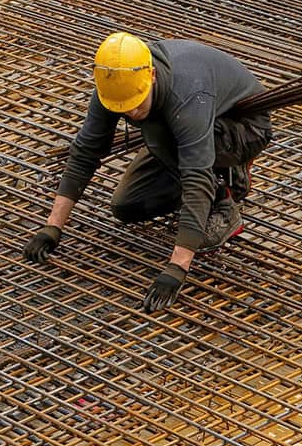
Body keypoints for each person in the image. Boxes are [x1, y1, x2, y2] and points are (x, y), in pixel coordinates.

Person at [23, 32, 273, 312]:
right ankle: (207, 173)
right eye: (124, 109)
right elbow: (85, 151)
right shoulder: (113, 83)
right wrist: (52, 226)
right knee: (127, 207)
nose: (130, 114)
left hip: (242, 128)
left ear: (151, 76)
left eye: (135, 104)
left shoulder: (186, 93)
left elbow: (195, 176)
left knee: (159, 133)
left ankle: (224, 196)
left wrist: (177, 268)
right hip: (178, 131)